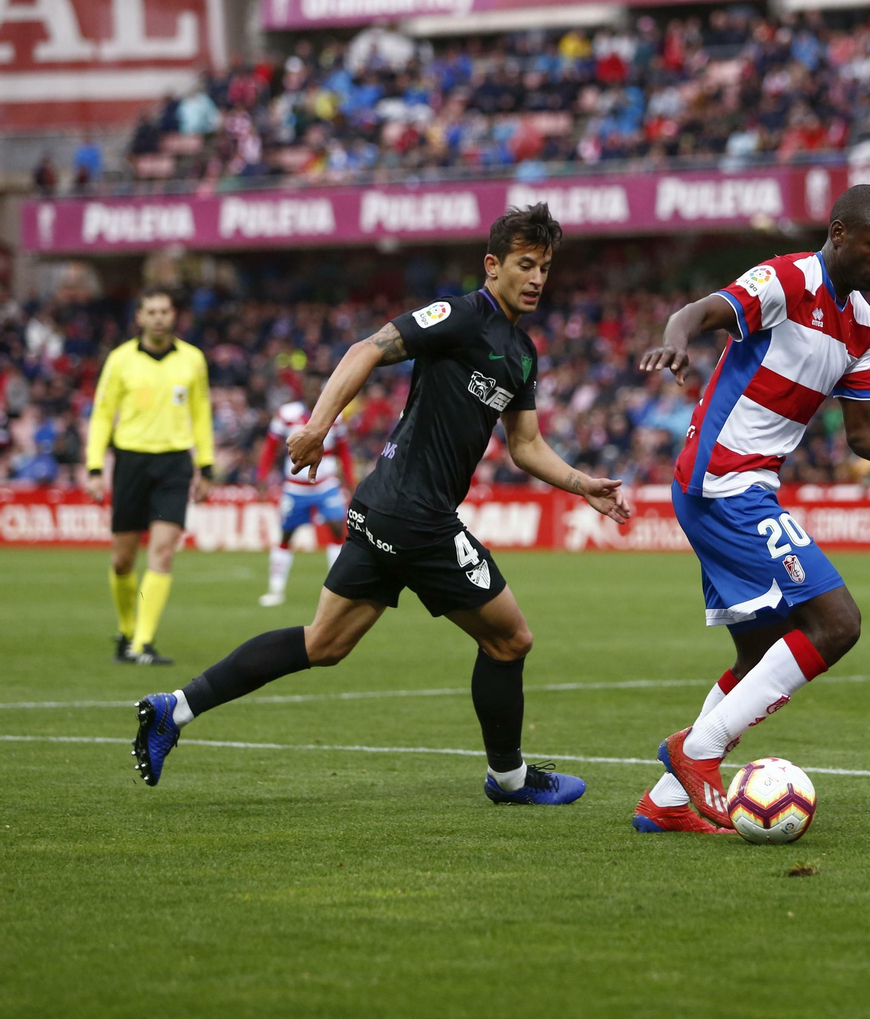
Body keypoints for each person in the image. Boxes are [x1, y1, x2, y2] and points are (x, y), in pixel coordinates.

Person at [131, 205, 632, 806]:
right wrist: (319, 425)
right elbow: (366, 348)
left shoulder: (521, 353)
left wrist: (584, 485)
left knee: (324, 644)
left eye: (545, 268)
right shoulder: (460, 314)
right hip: (415, 516)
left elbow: (525, 447)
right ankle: (510, 780)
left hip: (387, 510)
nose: (536, 279)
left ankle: (174, 709)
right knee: (510, 641)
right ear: (492, 265)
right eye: (525, 265)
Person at [633, 185, 870, 833]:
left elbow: (865, 434)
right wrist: (676, 341)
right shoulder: (787, 278)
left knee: (762, 651)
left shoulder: (861, 324)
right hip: (723, 480)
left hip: (743, 487)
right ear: (839, 232)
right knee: (836, 622)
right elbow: (698, 311)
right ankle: (696, 752)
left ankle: (664, 802)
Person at [86, 289, 215, 667]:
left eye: (165, 311)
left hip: (174, 464)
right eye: (152, 312)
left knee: (162, 550)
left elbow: (202, 413)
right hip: (130, 462)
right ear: (139, 317)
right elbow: (101, 414)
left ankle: (143, 643)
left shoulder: (193, 360)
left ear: (174, 315)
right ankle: (127, 632)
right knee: (122, 560)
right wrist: (95, 467)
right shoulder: (120, 360)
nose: (159, 318)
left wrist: (205, 466)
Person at [255, 375, 356, 607]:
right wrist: (262, 475)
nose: (312, 392)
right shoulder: (286, 414)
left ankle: (338, 589)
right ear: (302, 390)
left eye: (316, 388)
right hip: (295, 488)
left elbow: (344, 451)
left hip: (327, 485)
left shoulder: (336, 415)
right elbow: (271, 447)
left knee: (336, 530)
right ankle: (275, 590)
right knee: (286, 536)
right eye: (308, 388)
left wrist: (350, 480)